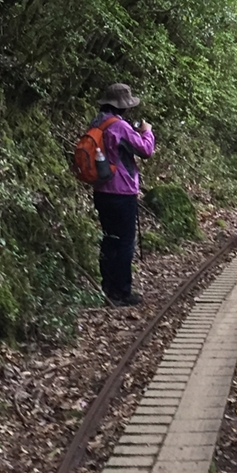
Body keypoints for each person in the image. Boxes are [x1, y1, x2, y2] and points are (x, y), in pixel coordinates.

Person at [91, 83, 156, 307]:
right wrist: (147, 131)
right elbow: (145, 150)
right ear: (123, 107)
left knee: (109, 239)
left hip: (100, 190)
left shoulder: (97, 122)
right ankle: (123, 291)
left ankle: (108, 287)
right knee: (125, 242)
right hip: (122, 191)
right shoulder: (120, 127)